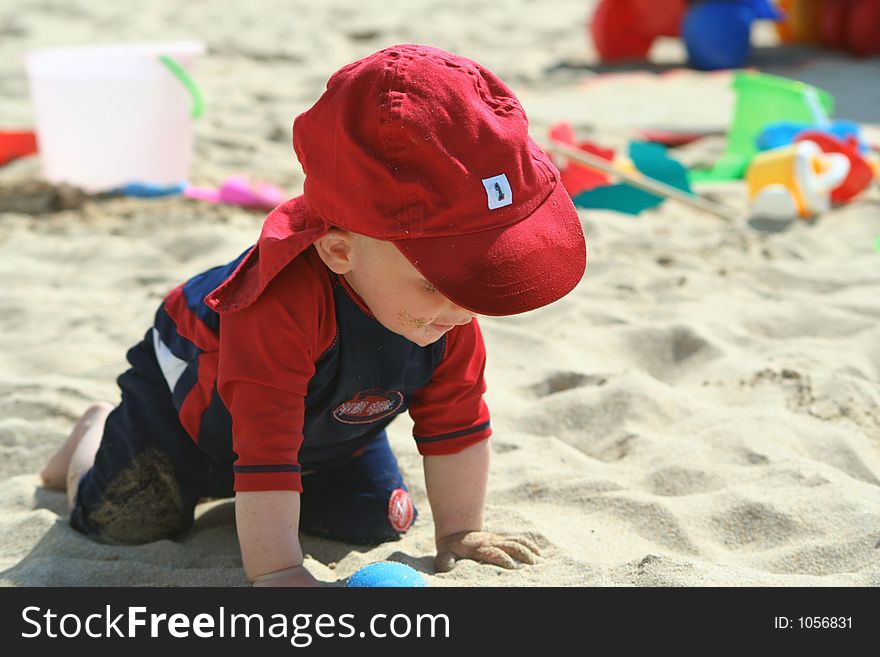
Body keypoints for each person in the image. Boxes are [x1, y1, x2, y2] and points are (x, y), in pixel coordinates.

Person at [40, 44, 587, 587]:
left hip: (333, 424)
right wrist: (278, 571)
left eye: (477, 275)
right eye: (436, 279)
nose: (464, 307)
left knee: (374, 522)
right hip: (189, 418)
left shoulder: (446, 312)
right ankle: (90, 434)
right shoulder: (278, 308)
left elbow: (457, 424)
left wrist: (459, 535)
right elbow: (265, 447)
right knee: (123, 521)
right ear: (339, 250)